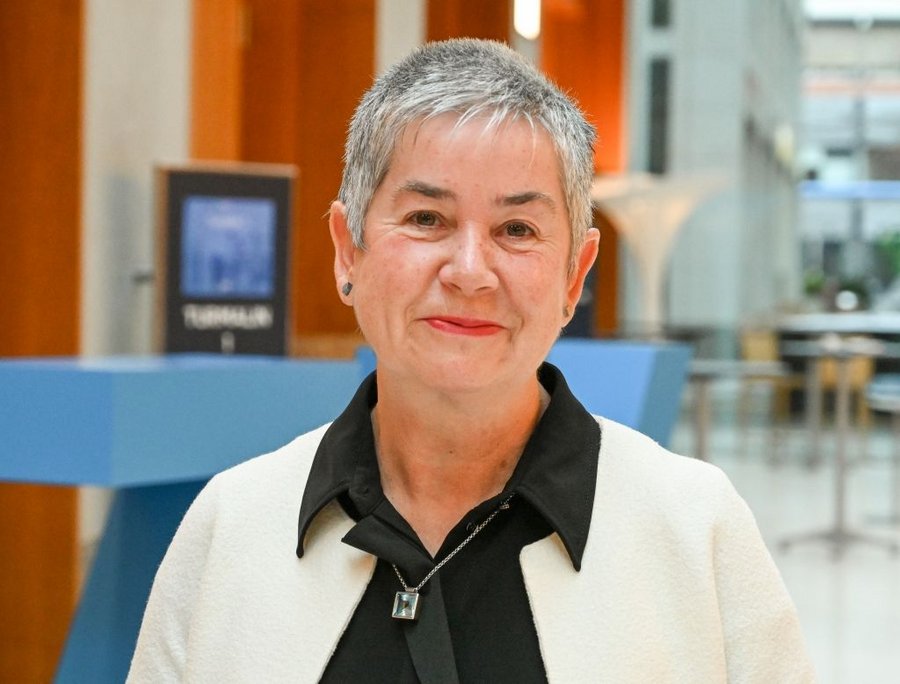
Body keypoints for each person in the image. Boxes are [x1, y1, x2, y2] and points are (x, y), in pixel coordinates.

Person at [128, 39, 813, 683]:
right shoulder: (231, 524)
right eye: (426, 219)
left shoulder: (696, 530)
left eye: (517, 229)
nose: (469, 271)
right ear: (348, 251)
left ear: (574, 276)